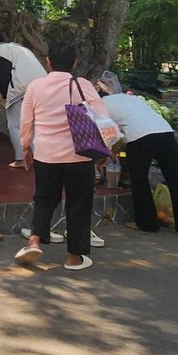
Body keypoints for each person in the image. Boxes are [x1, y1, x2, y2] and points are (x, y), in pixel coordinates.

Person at [15, 40, 107, 272]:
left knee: (44, 199)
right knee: (78, 203)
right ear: (74, 63)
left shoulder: (36, 86)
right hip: (80, 155)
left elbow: (26, 121)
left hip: (46, 155)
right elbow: (102, 115)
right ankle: (74, 258)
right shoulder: (82, 84)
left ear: (48, 62)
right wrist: (106, 148)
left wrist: (25, 148)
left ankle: (34, 240)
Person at [98, 78, 178, 236]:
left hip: (140, 138)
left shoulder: (102, 105)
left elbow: (111, 136)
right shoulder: (130, 99)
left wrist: (110, 154)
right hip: (166, 134)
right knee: (175, 178)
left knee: (140, 180)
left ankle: (147, 223)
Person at [0, 41, 48, 169]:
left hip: (21, 88)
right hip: (41, 86)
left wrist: (5, 95)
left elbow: (3, 73)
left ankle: (21, 159)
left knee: (15, 124)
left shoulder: (2, 49)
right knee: (34, 123)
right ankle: (36, 156)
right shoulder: (20, 48)